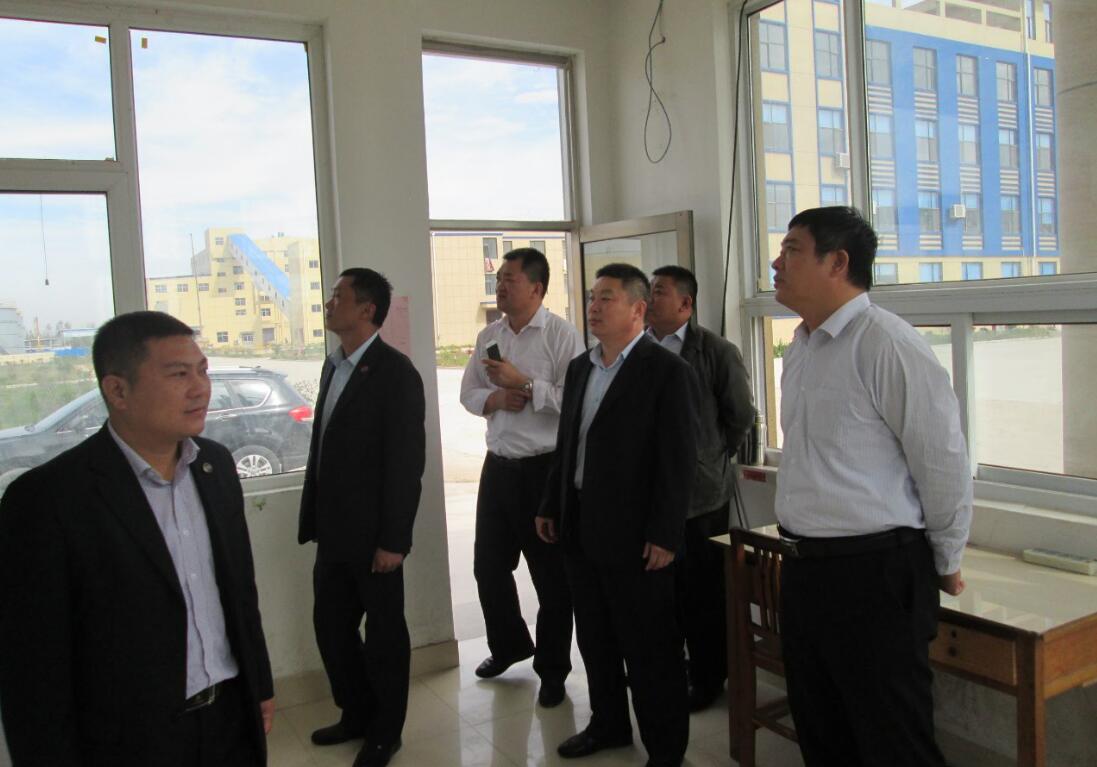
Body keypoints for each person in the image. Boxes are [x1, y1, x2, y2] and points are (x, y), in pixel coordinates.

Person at [0, 311, 275, 767]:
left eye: (202, 370)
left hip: (229, 717)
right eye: (178, 374)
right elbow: (33, 667)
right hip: (130, 739)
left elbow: (239, 592)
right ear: (117, 391)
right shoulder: (48, 499)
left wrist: (259, 685)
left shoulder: (215, 466)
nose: (201, 388)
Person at [772, 206, 972, 766]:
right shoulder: (802, 347)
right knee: (822, 732)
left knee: (892, 741)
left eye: (792, 250)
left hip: (875, 575)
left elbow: (942, 461)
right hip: (806, 571)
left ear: (838, 262)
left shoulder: (887, 343)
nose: (777, 263)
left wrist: (947, 558)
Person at [536, 263, 699, 767]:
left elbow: (678, 461)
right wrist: (551, 503)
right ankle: (608, 724)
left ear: (637, 309)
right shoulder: (581, 368)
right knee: (596, 638)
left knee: (649, 648)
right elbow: (568, 445)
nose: (594, 306)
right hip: (581, 525)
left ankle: (665, 750)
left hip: (637, 536)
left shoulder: (666, 371)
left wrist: (665, 534)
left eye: (607, 297)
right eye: (592, 297)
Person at [298, 268, 425, 767]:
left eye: (339, 296)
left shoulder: (396, 373)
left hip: (376, 538)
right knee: (331, 628)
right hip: (333, 531)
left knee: (385, 638)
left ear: (367, 309)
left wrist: (394, 540)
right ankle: (355, 713)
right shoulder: (334, 365)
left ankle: (385, 732)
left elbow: (405, 464)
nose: (330, 303)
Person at [459, 247, 585, 707]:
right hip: (498, 467)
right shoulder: (489, 335)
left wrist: (525, 386)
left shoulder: (561, 336)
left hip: (544, 471)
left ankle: (552, 670)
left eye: (510, 279)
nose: (501, 286)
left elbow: (576, 400)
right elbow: (469, 392)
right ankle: (509, 645)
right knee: (488, 567)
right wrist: (494, 400)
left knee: (552, 579)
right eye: (499, 279)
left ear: (536, 287)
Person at [646, 265, 754, 712]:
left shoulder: (715, 351)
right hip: (651, 494)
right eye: (649, 290)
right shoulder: (637, 348)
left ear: (685, 304)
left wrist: (710, 457)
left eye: (659, 292)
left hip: (701, 496)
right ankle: (668, 670)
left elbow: (741, 416)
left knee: (702, 593)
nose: (649, 299)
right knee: (659, 594)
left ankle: (708, 677)